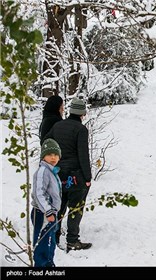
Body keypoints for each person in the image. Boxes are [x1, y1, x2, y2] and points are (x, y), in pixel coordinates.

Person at [44, 97, 92, 252]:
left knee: (59, 206)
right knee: (76, 208)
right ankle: (72, 241)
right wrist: (88, 178)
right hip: (76, 176)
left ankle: (55, 237)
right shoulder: (81, 130)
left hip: (58, 174)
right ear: (82, 113)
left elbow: (45, 141)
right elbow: (83, 155)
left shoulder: (58, 125)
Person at [31, 138, 62, 267]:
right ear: (43, 156)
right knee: (42, 242)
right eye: (50, 155)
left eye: (56, 155)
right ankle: (41, 266)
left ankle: (49, 264)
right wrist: (48, 211)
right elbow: (39, 193)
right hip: (42, 213)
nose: (53, 157)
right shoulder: (43, 171)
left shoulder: (52, 171)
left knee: (51, 241)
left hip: (51, 213)